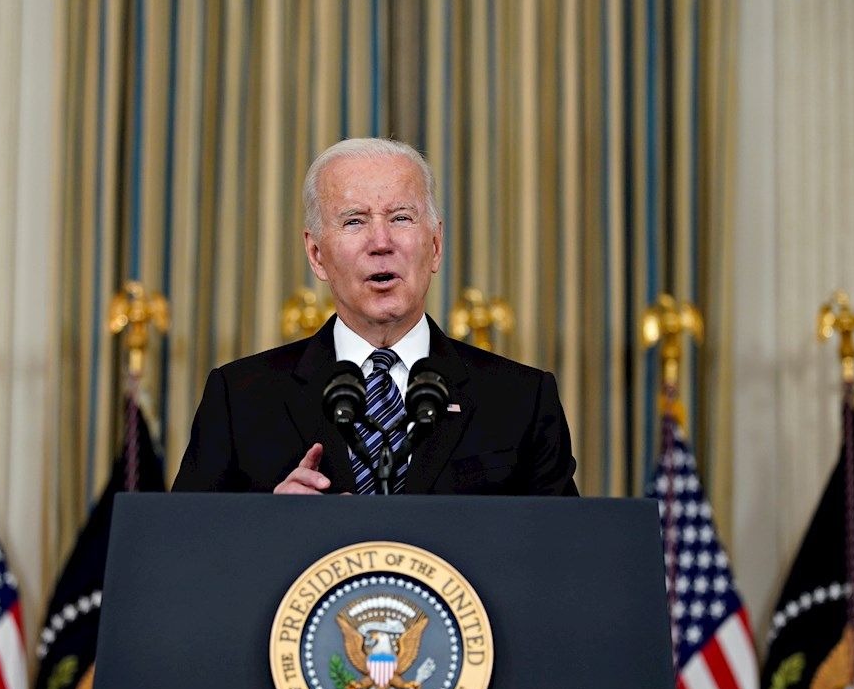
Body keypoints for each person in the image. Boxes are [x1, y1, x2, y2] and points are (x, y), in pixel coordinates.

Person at [172, 137, 578, 496]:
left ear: (435, 245)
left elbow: (564, 557)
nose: (381, 242)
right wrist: (273, 531)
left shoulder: (521, 400)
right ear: (317, 255)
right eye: (354, 221)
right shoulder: (240, 398)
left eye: (401, 217)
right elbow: (184, 554)